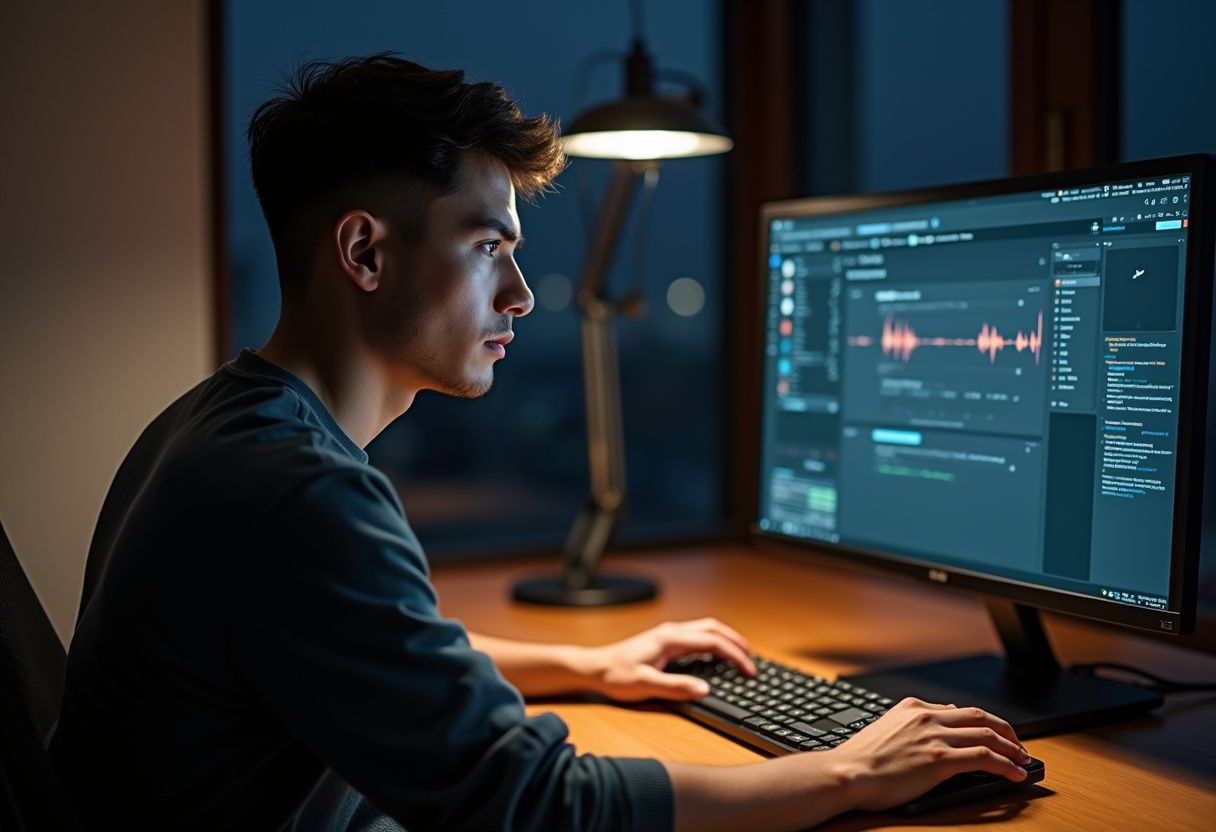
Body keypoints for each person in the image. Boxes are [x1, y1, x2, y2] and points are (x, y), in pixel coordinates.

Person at [50, 54, 1030, 832]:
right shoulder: (298, 490)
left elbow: (369, 648)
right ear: (363, 252)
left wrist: (590, 665)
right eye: (488, 249)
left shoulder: (212, 423)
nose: (519, 296)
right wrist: (849, 770)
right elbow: (531, 803)